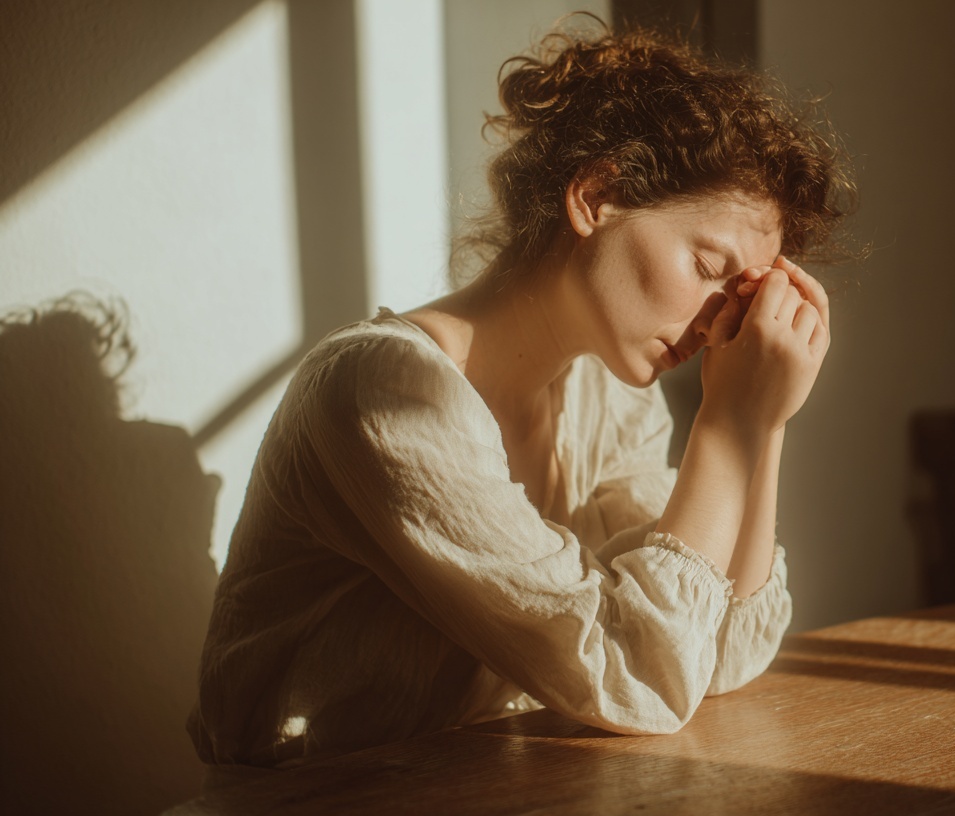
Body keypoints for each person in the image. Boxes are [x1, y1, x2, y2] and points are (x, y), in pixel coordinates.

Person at [188, 18, 854, 778]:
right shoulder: (384, 397)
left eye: (742, 293)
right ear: (596, 196)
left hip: (480, 785)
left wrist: (763, 425)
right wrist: (730, 425)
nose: (722, 320)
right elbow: (642, 678)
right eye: (709, 265)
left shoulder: (607, 398)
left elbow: (715, 653)